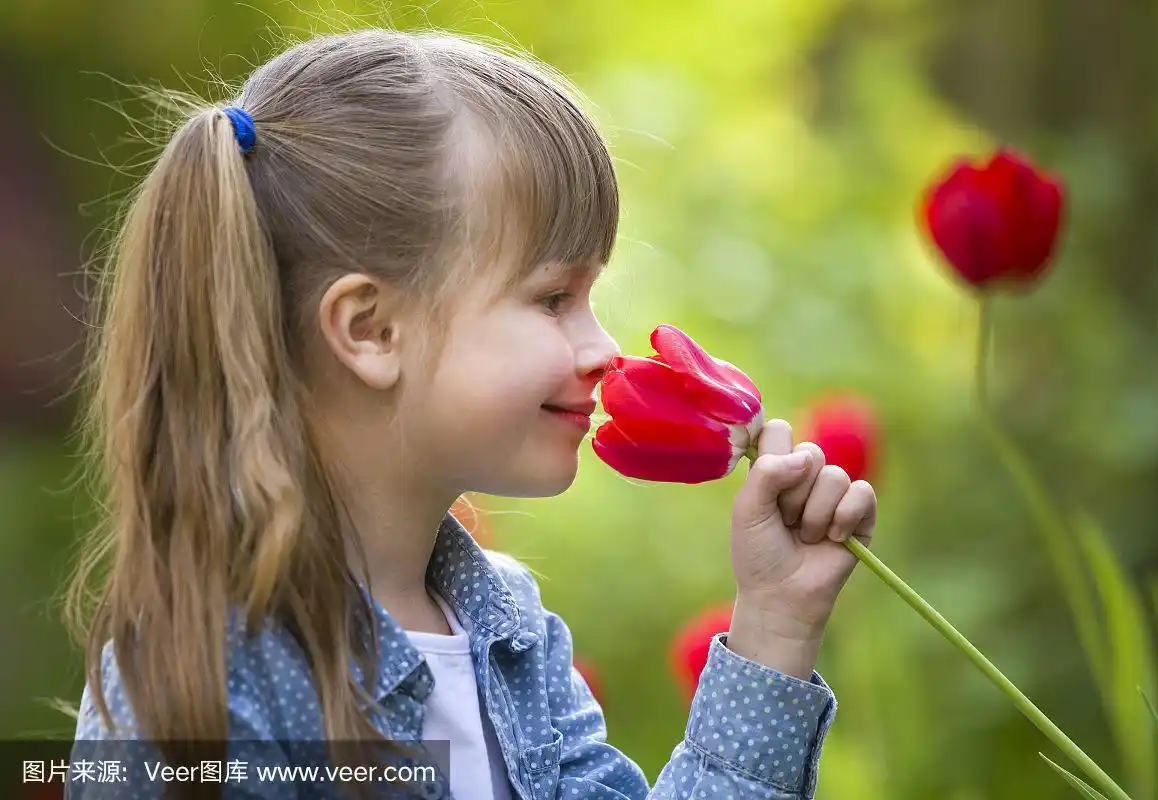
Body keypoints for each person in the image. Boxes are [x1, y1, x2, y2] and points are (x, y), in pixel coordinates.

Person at [66, 28, 878, 800]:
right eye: (553, 297)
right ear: (371, 331)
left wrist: (776, 621)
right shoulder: (205, 686)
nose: (604, 348)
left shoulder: (511, 632)